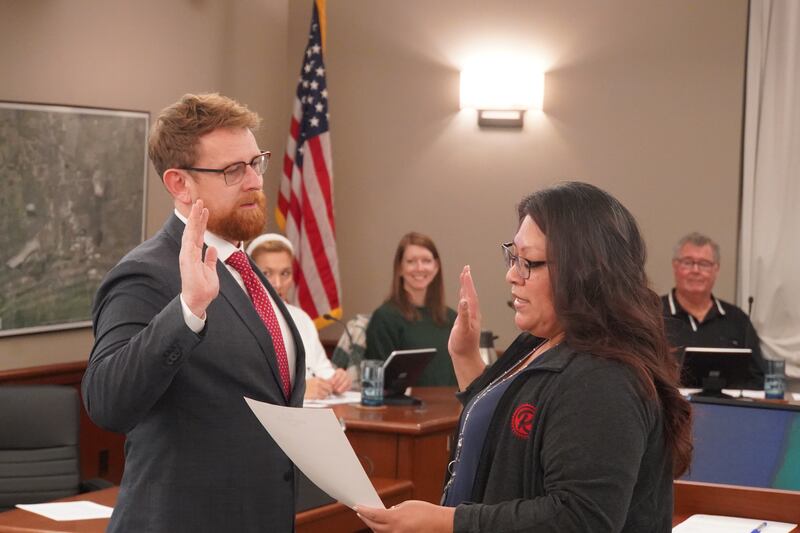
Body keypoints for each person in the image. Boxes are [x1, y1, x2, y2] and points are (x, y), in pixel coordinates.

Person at [355, 182, 692, 532]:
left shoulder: (605, 376)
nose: (511, 275)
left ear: (585, 271)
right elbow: (500, 429)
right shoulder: (538, 341)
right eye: (512, 257)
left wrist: (445, 522)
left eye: (528, 262)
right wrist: (464, 354)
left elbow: (579, 519)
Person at [82, 93, 305, 532]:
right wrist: (187, 310)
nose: (255, 182)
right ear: (179, 184)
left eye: (255, 162)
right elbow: (106, 402)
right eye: (232, 170)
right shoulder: (145, 275)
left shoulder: (245, 266)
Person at [247, 233, 351, 399]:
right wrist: (300, 392)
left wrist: (337, 380)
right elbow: (248, 385)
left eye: (285, 274)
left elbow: (322, 370)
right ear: (250, 273)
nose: (278, 284)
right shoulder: (241, 318)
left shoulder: (301, 318)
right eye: (266, 273)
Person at [662, 232, 766, 389]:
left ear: (716, 269)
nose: (695, 270)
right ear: (675, 265)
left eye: (704, 264)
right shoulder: (652, 313)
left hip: (727, 410)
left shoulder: (737, 320)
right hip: (667, 408)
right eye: (688, 263)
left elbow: (758, 379)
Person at [365, 232, 457, 386]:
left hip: (451, 407)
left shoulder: (452, 319)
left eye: (426, 261)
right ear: (400, 268)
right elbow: (381, 382)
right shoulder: (384, 318)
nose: (419, 268)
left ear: (436, 267)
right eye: (411, 261)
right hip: (403, 409)